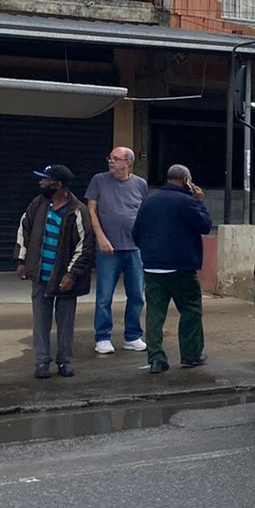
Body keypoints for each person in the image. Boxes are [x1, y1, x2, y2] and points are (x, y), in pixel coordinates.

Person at [132, 164, 213, 374]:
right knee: (190, 310)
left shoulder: (149, 201)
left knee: (155, 314)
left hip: (152, 267)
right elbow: (204, 226)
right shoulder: (187, 202)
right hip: (181, 267)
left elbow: (136, 233)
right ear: (186, 180)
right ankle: (191, 355)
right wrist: (200, 202)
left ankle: (156, 359)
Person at [15, 164, 93, 379]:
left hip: (65, 278)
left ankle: (65, 362)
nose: (41, 183)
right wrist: (21, 260)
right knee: (41, 322)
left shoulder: (78, 211)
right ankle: (41, 363)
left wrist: (71, 275)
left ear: (58, 185)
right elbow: (24, 230)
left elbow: (84, 247)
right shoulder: (37, 204)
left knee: (65, 323)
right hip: (41, 274)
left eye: (45, 180)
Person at [85, 146, 149, 355]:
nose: (110, 161)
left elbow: (143, 213)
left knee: (136, 295)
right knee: (104, 296)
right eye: (110, 158)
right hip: (108, 249)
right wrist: (101, 237)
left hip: (134, 248)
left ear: (128, 162)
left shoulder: (140, 184)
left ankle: (132, 336)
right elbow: (92, 210)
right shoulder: (99, 180)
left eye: (115, 158)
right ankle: (103, 337)